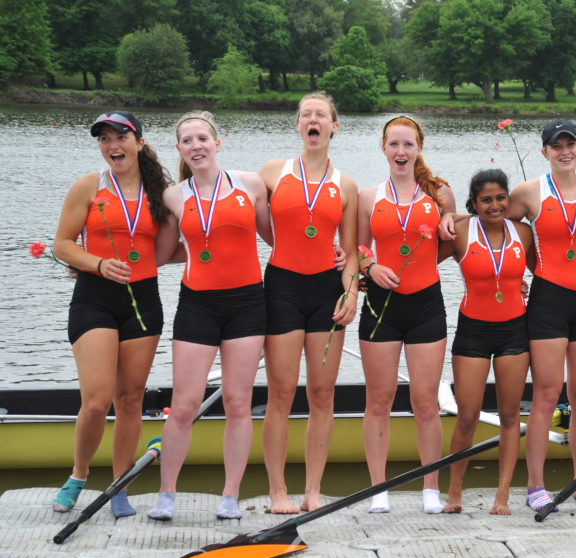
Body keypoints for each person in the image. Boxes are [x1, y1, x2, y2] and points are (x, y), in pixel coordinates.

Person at [51, 111, 176, 518]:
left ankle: (119, 485)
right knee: (96, 401)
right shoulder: (89, 186)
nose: (111, 146)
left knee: (130, 399)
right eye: (104, 139)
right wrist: (97, 263)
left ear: (139, 142)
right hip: (95, 297)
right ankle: (79, 474)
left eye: (120, 137)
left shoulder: (163, 191)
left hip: (143, 299)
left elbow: (183, 243)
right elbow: (63, 245)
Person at [148, 110, 272, 521]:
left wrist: (338, 254)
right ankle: (167, 494)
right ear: (180, 149)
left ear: (218, 144)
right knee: (184, 404)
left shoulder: (251, 185)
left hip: (247, 305)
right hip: (198, 304)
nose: (196, 146)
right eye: (187, 141)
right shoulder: (172, 196)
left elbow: (279, 238)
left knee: (238, 403)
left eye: (203, 138)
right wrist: (95, 262)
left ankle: (230, 496)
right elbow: (162, 254)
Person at [502, 119, 576, 511]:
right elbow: (500, 225)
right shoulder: (528, 192)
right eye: (556, 145)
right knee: (547, 395)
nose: (564, 151)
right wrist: (518, 272)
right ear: (545, 151)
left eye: (571, 144)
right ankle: (535, 486)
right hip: (549, 300)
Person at [348, 115, 456, 514]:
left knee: (426, 401)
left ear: (419, 148)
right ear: (383, 148)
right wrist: (371, 267)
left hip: (426, 304)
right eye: (394, 144)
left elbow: (449, 244)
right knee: (379, 400)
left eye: (408, 145)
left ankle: (430, 488)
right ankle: (379, 488)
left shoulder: (440, 193)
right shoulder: (367, 197)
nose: (401, 152)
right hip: (382, 306)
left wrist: (445, 225)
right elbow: (357, 248)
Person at [259, 93, 359, 514]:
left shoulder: (347, 186)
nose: (313, 120)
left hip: (326, 292)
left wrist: (352, 292)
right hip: (282, 287)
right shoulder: (271, 173)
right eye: (306, 115)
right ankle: (278, 491)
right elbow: (222, 207)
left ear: (333, 126)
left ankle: (313, 490)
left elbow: (351, 252)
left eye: (321, 115)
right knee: (280, 394)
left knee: (321, 394)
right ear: (298, 125)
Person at [438, 169, 533, 515]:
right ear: (474, 203)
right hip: (473, 331)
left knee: (510, 415)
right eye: (486, 200)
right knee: (468, 415)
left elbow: (547, 270)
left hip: (514, 331)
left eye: (501, 197)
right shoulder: (460, 232)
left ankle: (502, 496)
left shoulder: (522, 233)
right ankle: (454, 491)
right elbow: (420, 263)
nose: (495, 205)